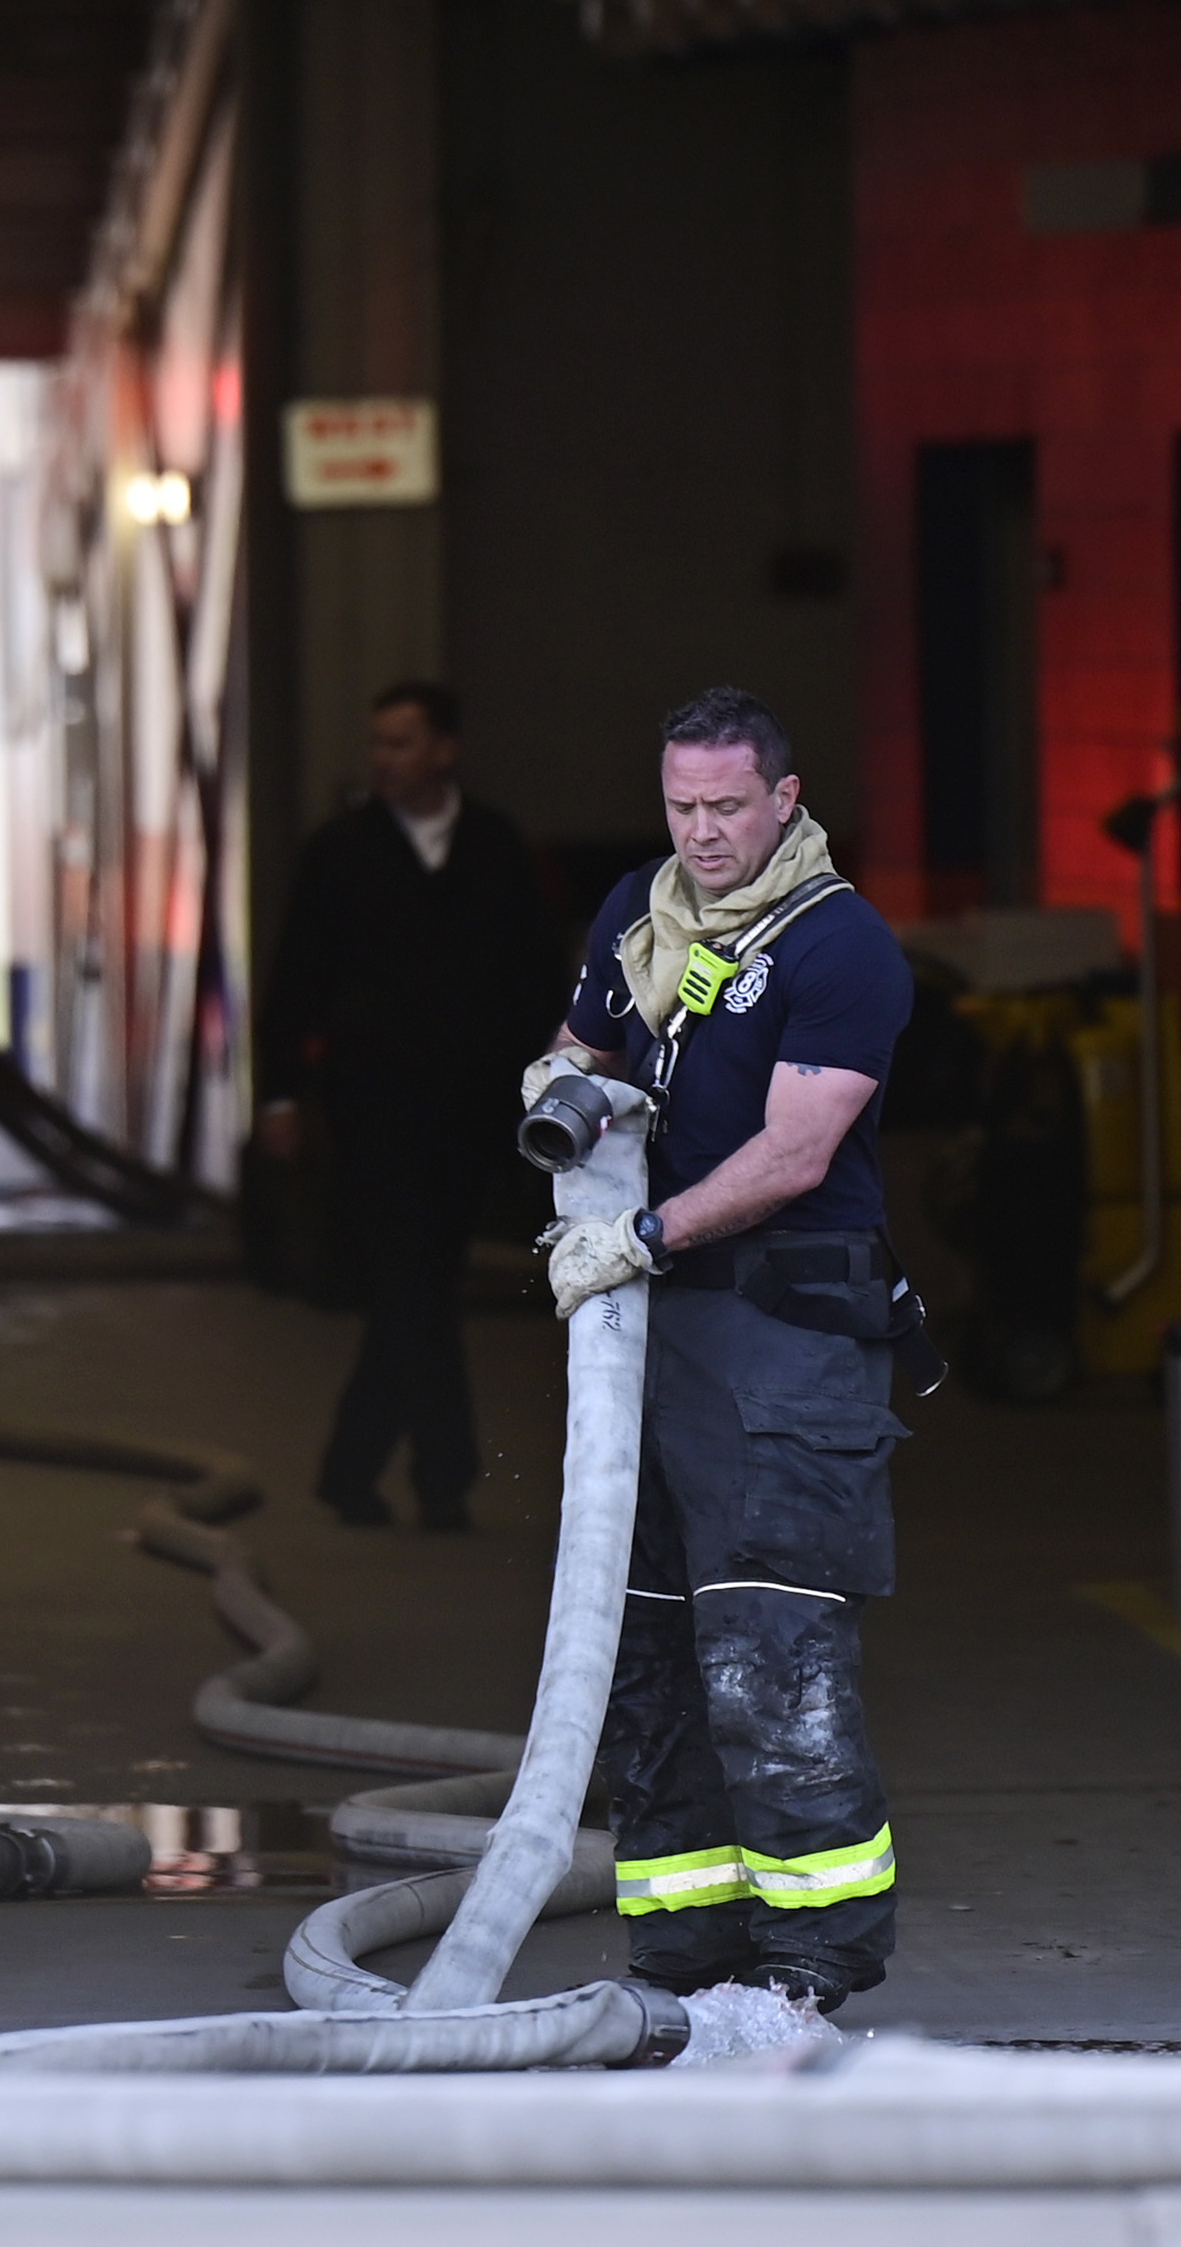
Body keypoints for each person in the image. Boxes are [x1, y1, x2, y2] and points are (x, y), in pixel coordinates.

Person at [530, 684, 913, 2023]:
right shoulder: (642, 907)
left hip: (781, 1338)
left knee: (769, 1655)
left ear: (784, 798)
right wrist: (560, 1080)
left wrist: (641, 1229)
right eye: (681, 805)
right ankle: (682, 1961)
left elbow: (798, 1149)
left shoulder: (839, 944)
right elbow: (590, 1037)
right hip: (652, 1340)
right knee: (648, 1659)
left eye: (726, 806)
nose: (700, 831)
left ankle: (810, 1964)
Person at [256, 678, 562, 1530]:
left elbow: (535, 974)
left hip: (470, 1110)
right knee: (410, 1281)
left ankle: (351, 1470)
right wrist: (281, 1093)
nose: (383, 759)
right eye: (377, 744)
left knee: (418, 1287)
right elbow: (296, 981)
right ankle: (444, 1474)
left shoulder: (493, 847)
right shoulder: (341, 853)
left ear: (443, 750)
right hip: (374, 1109)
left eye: (400, 743)